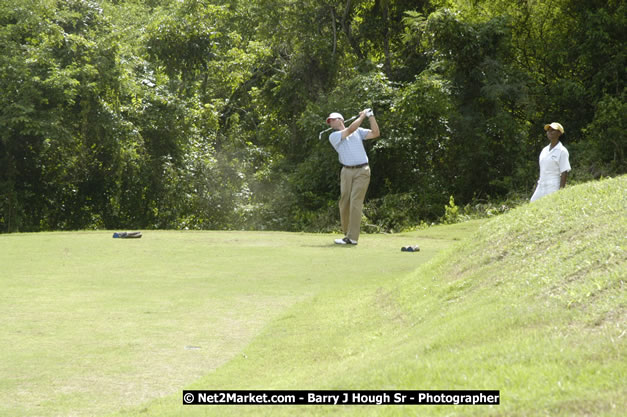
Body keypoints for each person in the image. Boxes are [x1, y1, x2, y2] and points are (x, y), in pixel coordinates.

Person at [327, 108, 380, 245]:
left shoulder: (358, 131)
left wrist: (370, 116)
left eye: (332, 119)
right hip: (346, 171)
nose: (330, 123)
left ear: (340, 120)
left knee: (355, 201)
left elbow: (375, 133)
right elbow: (350, 129)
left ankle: (352, 238)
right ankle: (347, 234)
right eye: (329, 121)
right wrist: (362, 116)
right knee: (344, 202)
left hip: (362, 170)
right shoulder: (333, 136)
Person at [530, 122, 571, 202]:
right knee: (532, 203)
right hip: (541, 185)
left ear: (559, 133)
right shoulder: (544, 150)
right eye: (548, 130)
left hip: (553, 185)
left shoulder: (562, 151)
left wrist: (561, 191)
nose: (549, 132)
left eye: (553, 130)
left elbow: (564, 172)